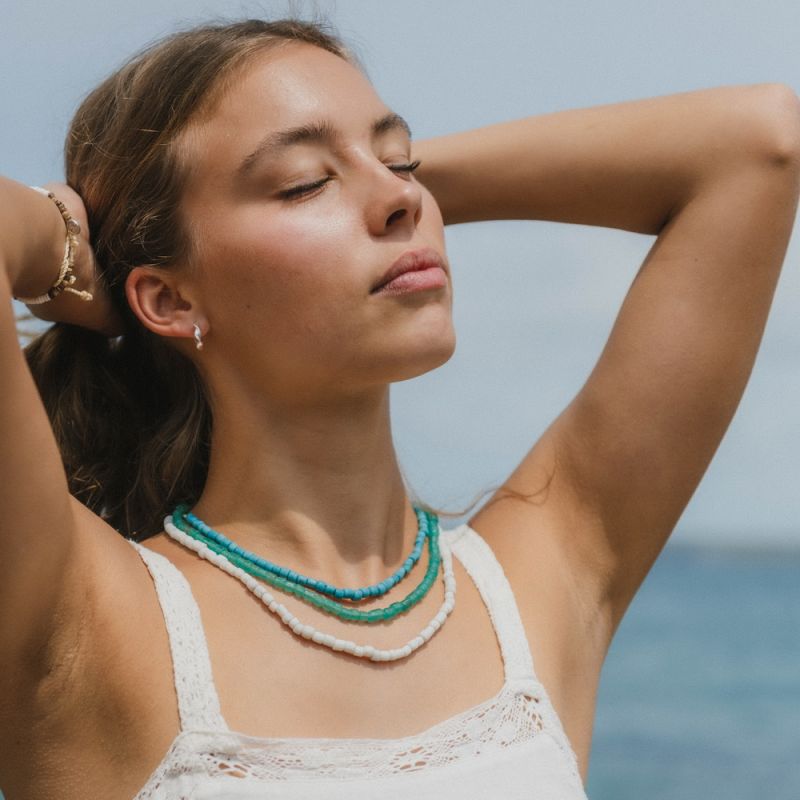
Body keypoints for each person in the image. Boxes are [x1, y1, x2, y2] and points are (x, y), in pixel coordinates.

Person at [1, 16, 798, 800]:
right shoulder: (82, 621)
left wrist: (381, 184)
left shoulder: (536, 586)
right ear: (168, 298)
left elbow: (762, 143)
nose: (400, 200)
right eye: (303, 182)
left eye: (401, 158)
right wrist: (76, 245)